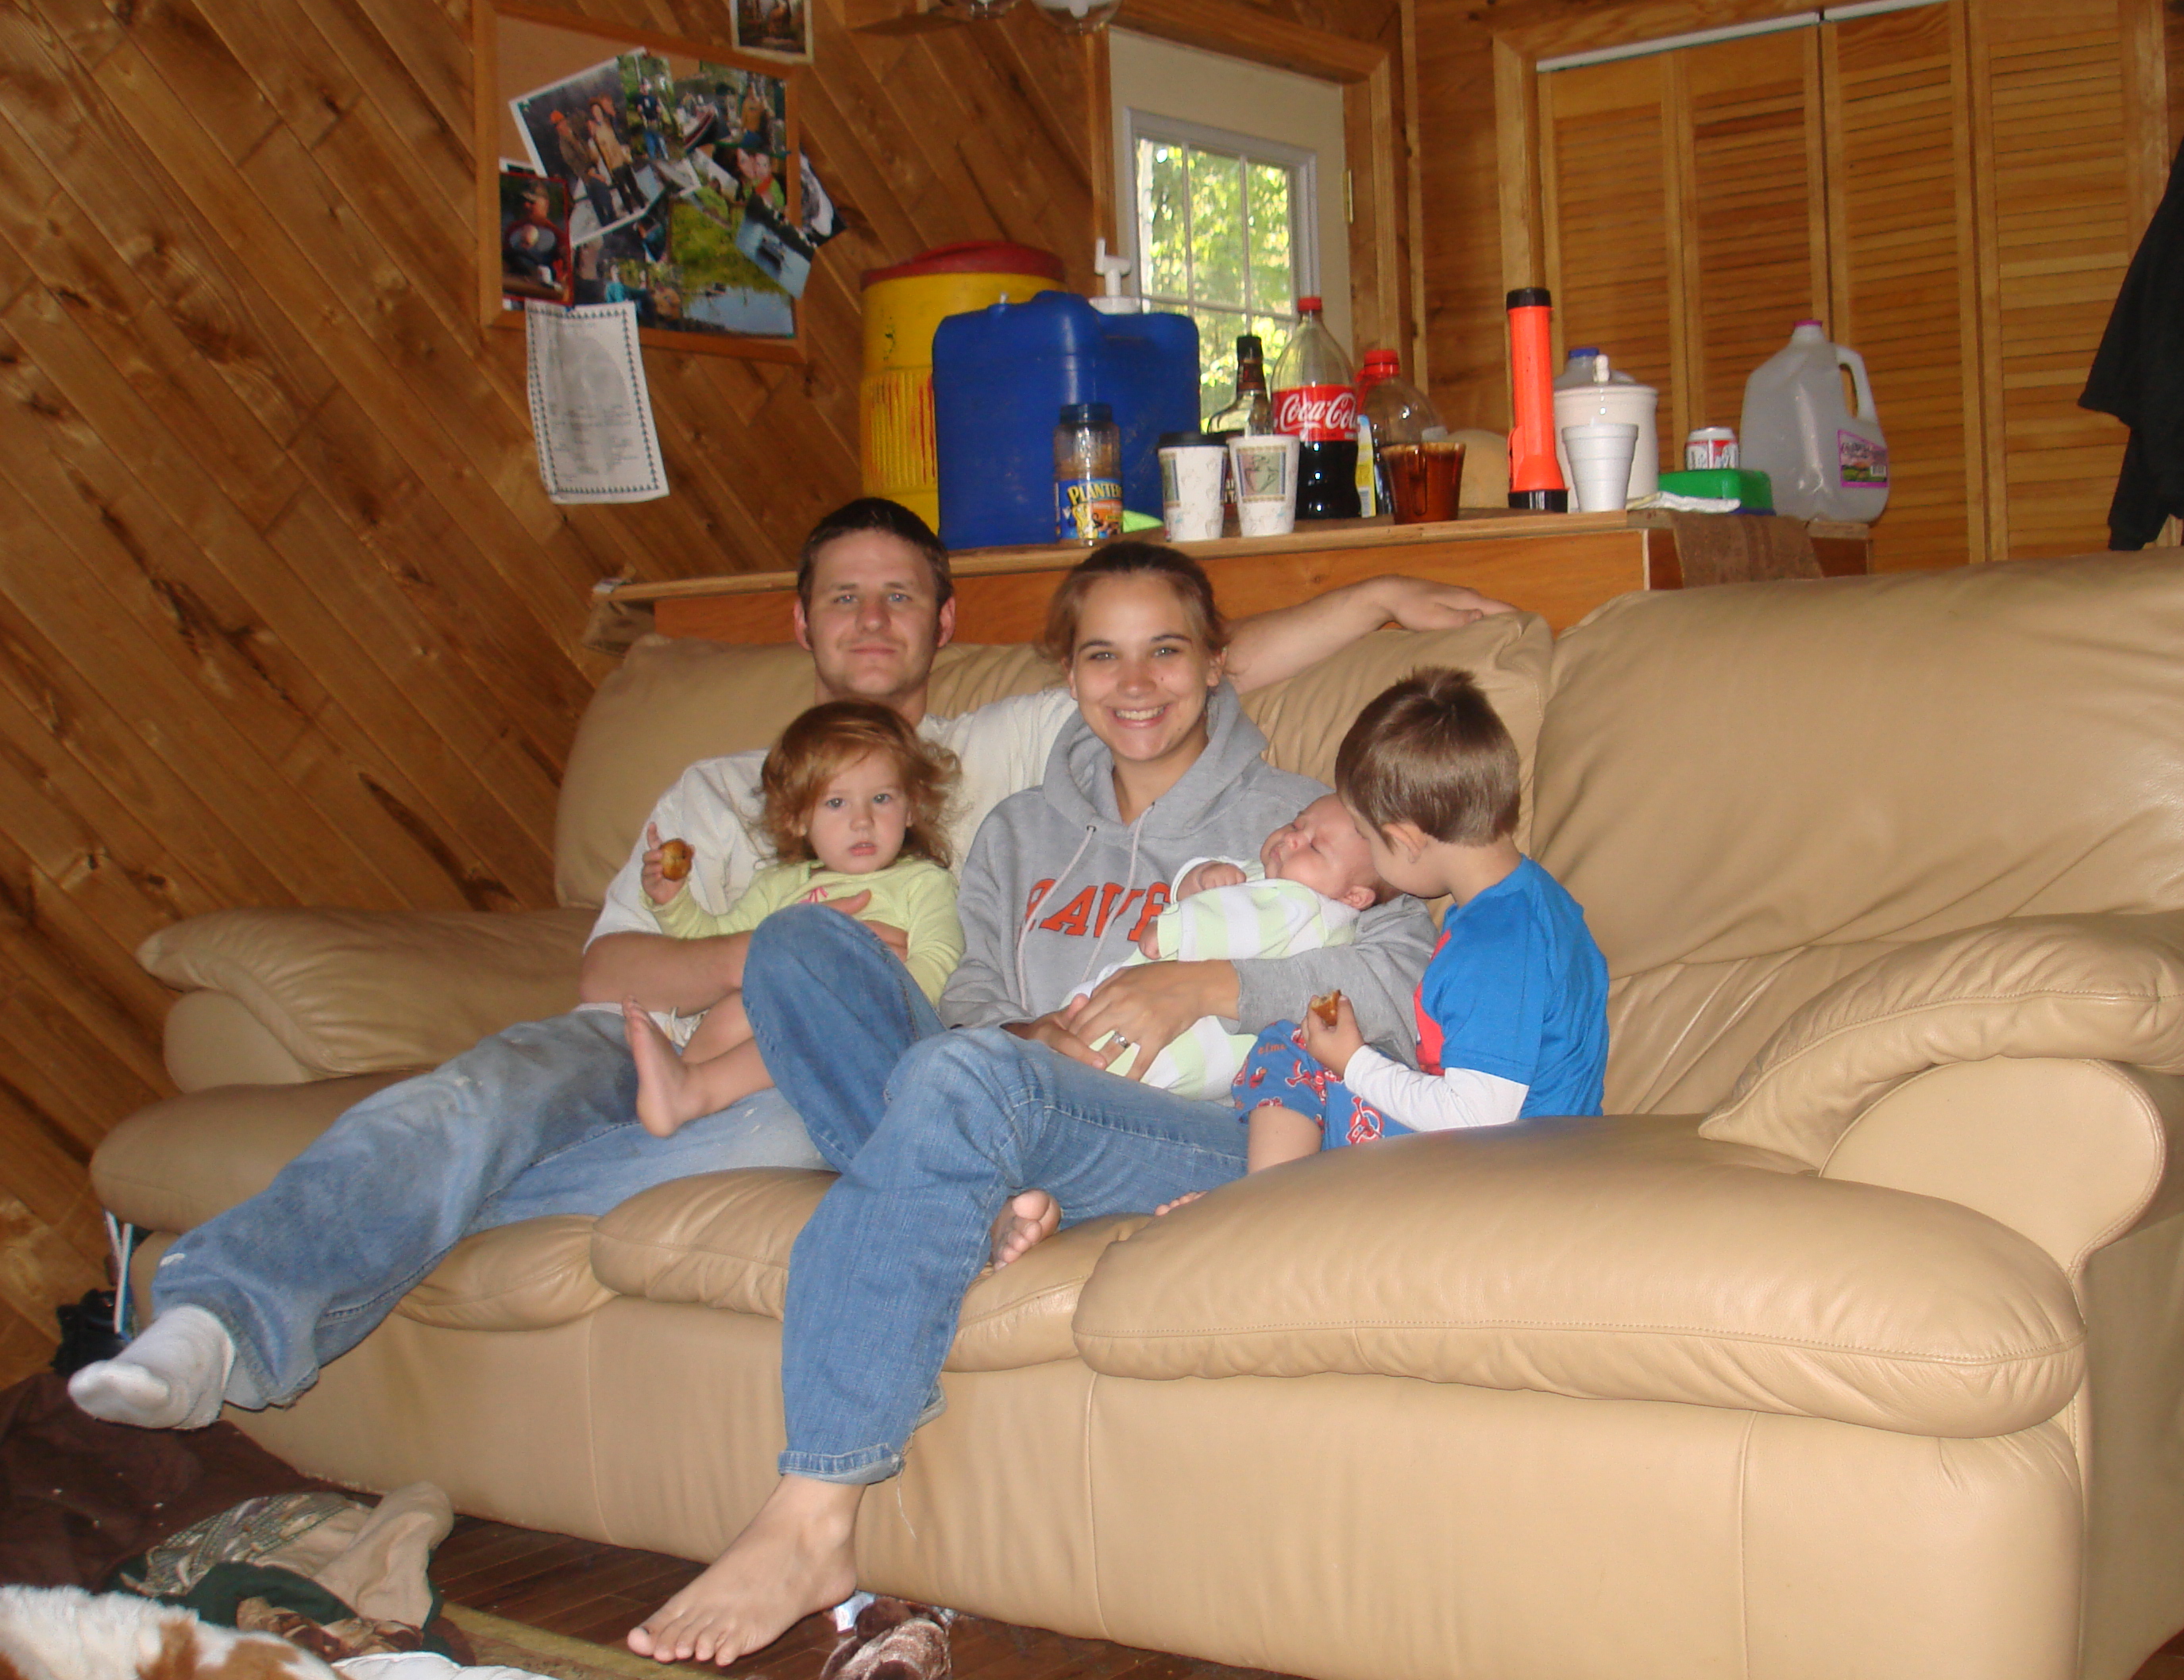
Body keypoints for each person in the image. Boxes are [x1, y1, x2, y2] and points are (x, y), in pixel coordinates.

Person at [70, 499, 1507, 1438]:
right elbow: (604, 974)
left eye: (902, 600)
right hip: (667, 1039)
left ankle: (306, 1261)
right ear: (800, 622)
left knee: (610, 1138)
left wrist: (1373, 591)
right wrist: (769, 952)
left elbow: (1177, 672)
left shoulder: (994, 756)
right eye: (843, 600)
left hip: (850, 1078)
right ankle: (212, 1320)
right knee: (481, 1096)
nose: (873, 622)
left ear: (948, 628)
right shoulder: (714, 789)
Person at [626, 542, 1440, 1667]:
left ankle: (813, 1514)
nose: (1136, 683)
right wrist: (1028, 1037)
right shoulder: (1017, 831)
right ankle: (984, 1184)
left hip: (1214, 1134)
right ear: (1069, 673)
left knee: (961, 1082)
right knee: (799, 944)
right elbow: (966, 998)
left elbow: (1406, 975)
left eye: (1167, 651)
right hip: (1031, 1096)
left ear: (1218, 662)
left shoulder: (1307, 816)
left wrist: (1203, 986)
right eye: (1103, 656)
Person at [1219, 667, 1608, 1177]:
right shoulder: (1530, 899)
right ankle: (1261, 1195)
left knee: (1291, 1051)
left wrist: (1354, 1062)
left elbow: (1477, 1115)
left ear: (1404, 841)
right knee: (1315, 1055)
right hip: (1517, 1153)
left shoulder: (1496, 945)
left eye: (1367, 837)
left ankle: (1264, 1206)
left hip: (1506, 1172)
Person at [628, 698, 963, 1137]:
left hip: (876, 1036)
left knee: (807, 1019)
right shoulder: (778, 885)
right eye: (836, 803)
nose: (862, 821)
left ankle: (694, 1090)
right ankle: (682, 1087)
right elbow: (711, 940)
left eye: (881, 798)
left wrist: (884, 1000)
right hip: (785, 1043)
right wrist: (672, 901)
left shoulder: (922, 881)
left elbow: (940, 955)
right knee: (737, 1006)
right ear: (798, 819)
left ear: (911, 807)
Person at [1071, 792, 1390, 1098]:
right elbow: (1187, 888)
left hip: (1187, 1041)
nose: (1292, 838)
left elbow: (1231, 923)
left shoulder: (1305, 906)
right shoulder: (1266, 874)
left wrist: (1170, 931)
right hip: (1190, 1033)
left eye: (1315, 847)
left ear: (1353, 897)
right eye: (1296, 825)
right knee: (1082, 1024)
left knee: (1097, 1046)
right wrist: (1203, 875)